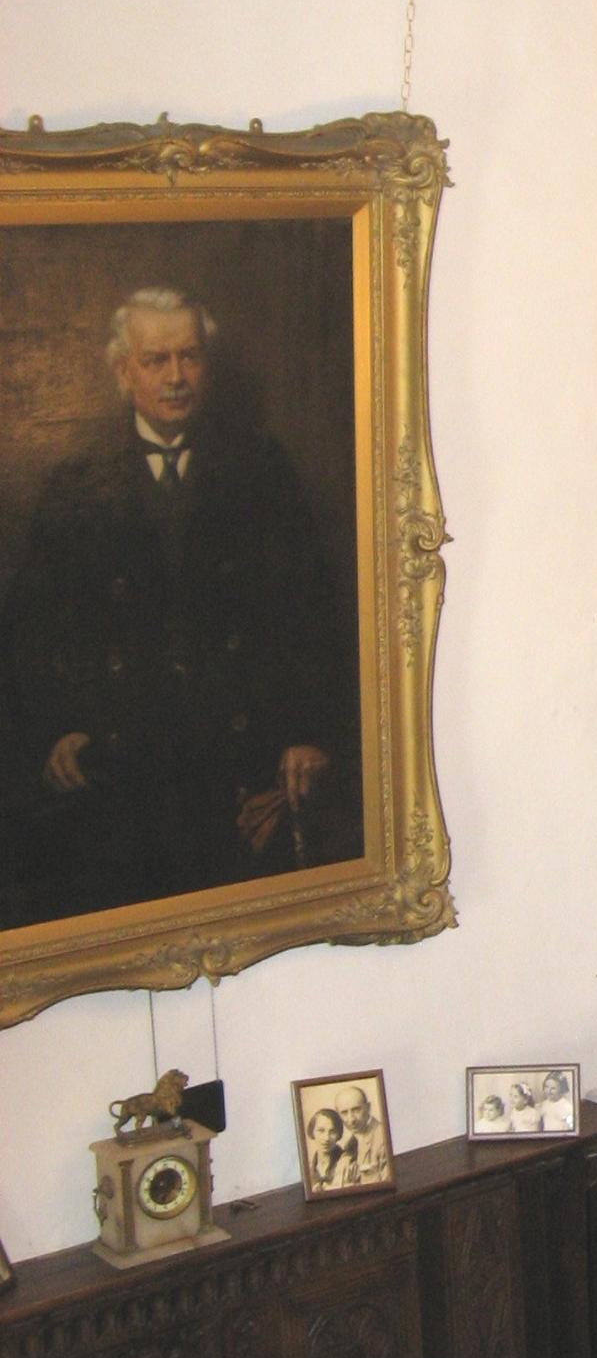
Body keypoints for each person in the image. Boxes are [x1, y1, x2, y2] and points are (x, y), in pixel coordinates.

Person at [0, 288, 358, 928]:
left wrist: (305, 731)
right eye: (156, 360)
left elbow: (307, 614)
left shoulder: (261, 469)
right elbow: (35, 632)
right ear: (122, 371)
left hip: (235, 765)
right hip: (120, 770)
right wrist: (62, 727)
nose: (175, 378)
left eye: (188, 358)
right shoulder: (76, 482)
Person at [338, 1083, 391, 1185]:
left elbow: (387, 1187)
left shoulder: (383, 1137)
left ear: (368, 1108)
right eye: (344, 1112)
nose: (351, 1119)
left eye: (356, 1109)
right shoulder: (350, 1143)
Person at [306, 1107, 359, 1192]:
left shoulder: (350, 1164)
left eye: (332, 1131)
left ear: (339, 1134)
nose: (326, 1138)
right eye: (321, 1130)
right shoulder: (307, 1170)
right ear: (312, 1132)